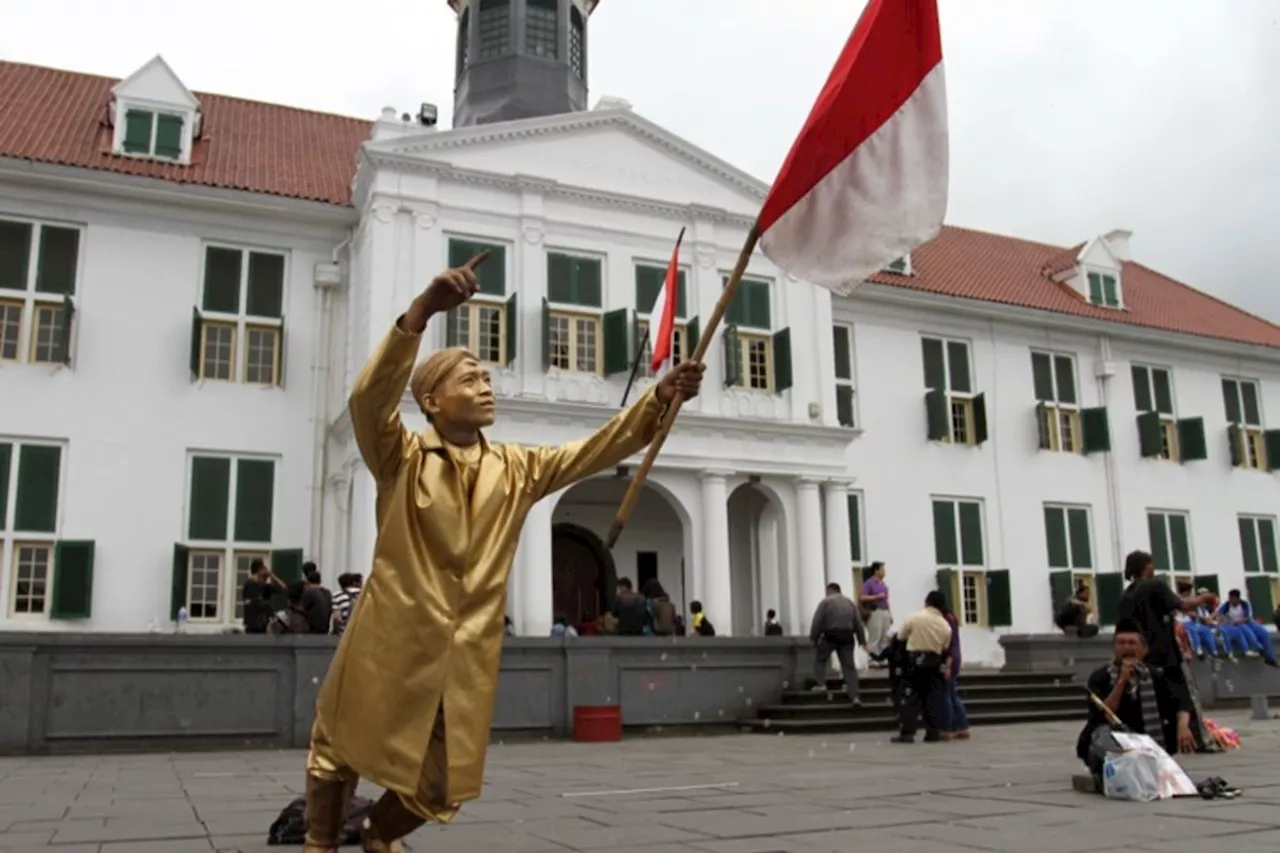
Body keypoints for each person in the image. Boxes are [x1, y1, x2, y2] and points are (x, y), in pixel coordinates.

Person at [300, 253, 704, 853]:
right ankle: (317, 843)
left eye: (486, 378)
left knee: (443, 785)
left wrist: (658, 398)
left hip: (464, 654)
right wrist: (422, 312)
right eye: (468, 379)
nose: (485, 385)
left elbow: (595, 448)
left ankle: (377, 834)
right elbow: (368, 404)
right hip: (388, 638)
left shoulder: (516, 469)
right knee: (338, 749)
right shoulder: (401, 459)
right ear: (432, 402)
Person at [1116, 550, 1220, 753]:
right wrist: (1203, 598)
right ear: (1146, 566)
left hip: (1143, 655)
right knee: (1185, 697)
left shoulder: (1126, 595)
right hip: (1166, 654)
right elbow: (1183, 605)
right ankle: (1199, 739)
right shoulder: (1155, 585)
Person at [1076, 618, 1194, 785]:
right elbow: (1103, 714)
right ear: (1114, 648)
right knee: (1102, 735)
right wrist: (1122, 681)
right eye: (1121, 643)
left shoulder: (1156, 675)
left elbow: (1181, 702)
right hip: (1113, 739)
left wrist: (1183, 725)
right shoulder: (1100, 677)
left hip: (1145, 737)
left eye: (1132, 643)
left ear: (1144, 650)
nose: (1126, 648)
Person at [891, 590, 952, 744]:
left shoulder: (915, 617)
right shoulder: (945, 626)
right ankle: (932, 732)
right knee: (932, 698)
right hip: (935, 663)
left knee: (911, 697)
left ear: (927, 602)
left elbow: (900, 636)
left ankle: (908, 733)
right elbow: (945, 646)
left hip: (915, 661)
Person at [807, 582, 868, 702]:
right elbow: (858, 623)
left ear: (830, 591)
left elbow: (818, 621)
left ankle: (821, 684)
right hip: (847, 635)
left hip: (830, 635)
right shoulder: (850, 603)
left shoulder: (826, 602)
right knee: (849, 666)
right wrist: (862, 641)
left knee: (820, 659)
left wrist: (813, 638)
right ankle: (854, 696)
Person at [1217, 589, 1278, 666]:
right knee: (1247, 630)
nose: (1230, 600)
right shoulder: (1226, 605)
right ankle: (1258, 647)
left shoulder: (1244, 604)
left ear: (1237, 599)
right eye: (1230, 598)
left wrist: (1240, 620)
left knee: (1264, 633)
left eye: (1232, 599)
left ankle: (1270, 657)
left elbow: (1247, 617)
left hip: (1246, 622)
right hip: (1235, 624)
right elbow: (1220, 615)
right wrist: (1223, 619)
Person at [940, 606, 969, 741]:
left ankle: (950, 727)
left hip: (950, 658)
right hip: (956, 655)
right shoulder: (953, 617)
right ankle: (962, 726)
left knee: (947, 693)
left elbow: (948, 643)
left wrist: (947, 664)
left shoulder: (946, 620)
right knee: (952, 692)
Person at [860, 562, 892, 661]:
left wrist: (890, 614)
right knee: (875, 636)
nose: (884, 572)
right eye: (882, 569)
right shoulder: (869, 583)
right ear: (876, 571)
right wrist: (876, 597)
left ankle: (882, 658)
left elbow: (886, 599)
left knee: (885, 636)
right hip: (875, 611)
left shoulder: (883, 584)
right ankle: (872, 659)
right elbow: (862, 597)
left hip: (884, 611)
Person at [241, 559, 282, 634]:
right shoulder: (250, 584)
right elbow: (249, 603)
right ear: (260, 569)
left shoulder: (262, 585)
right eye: (264, 568)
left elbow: (282, 588)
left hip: (261, 625)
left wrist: (271, 575)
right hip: (254, 626)